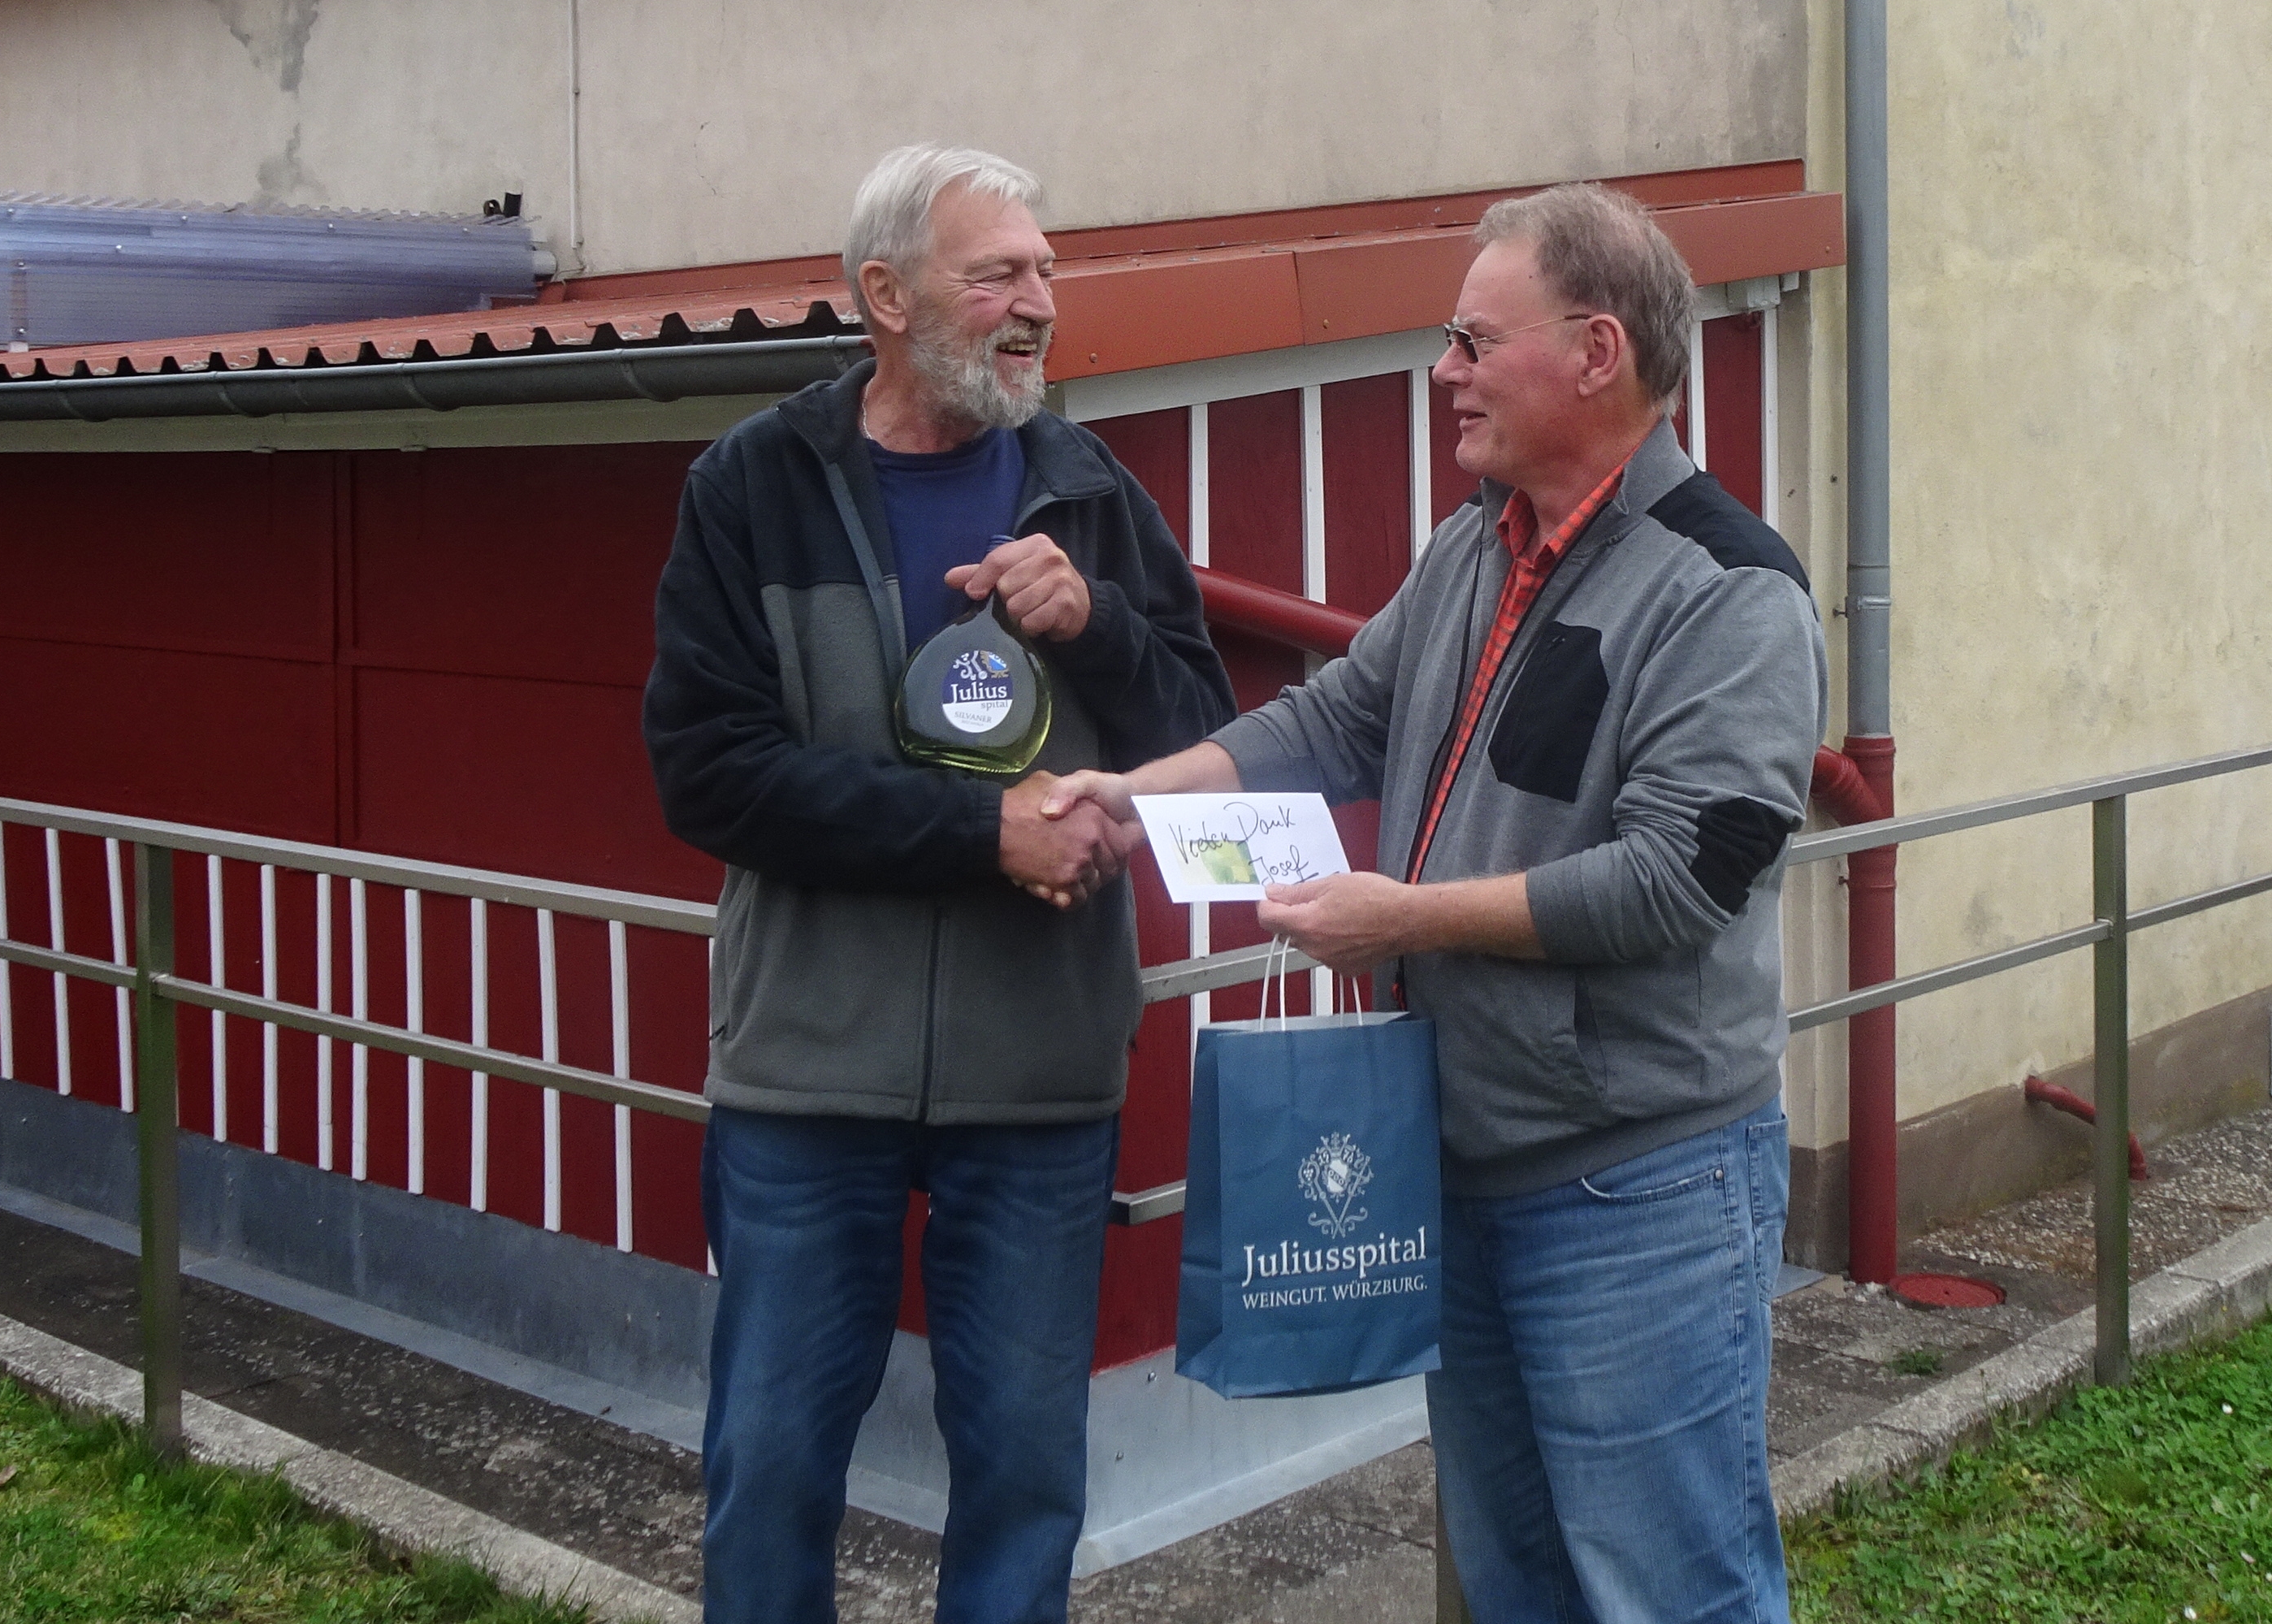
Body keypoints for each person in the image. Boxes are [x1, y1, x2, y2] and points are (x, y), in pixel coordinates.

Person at [1049, 181, 1823, 1624]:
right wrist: (1141, 794)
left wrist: (1401, 920)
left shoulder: (1729, 594)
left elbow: (1679, 880)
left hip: (1636, 1190)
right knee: (1516, 1586)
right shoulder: (1482, 544)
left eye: (1472, 338)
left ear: (1597, 353)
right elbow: (1343, 716)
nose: (1441, 370)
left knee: (1671, 1592)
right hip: (1461, 1171)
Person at [645, 144, 1231, 1624]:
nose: (1038, 303)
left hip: (1038, 1085)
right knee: (771, 1466)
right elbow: (710, 775)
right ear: (885, 297)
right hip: (805, 1081)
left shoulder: (1094, 495)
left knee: (1027, 1477)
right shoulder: (752, 486)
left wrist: (1096, 625)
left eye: (1046, 271)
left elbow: (1207, 741)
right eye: (999, 275)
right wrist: (983, 836)